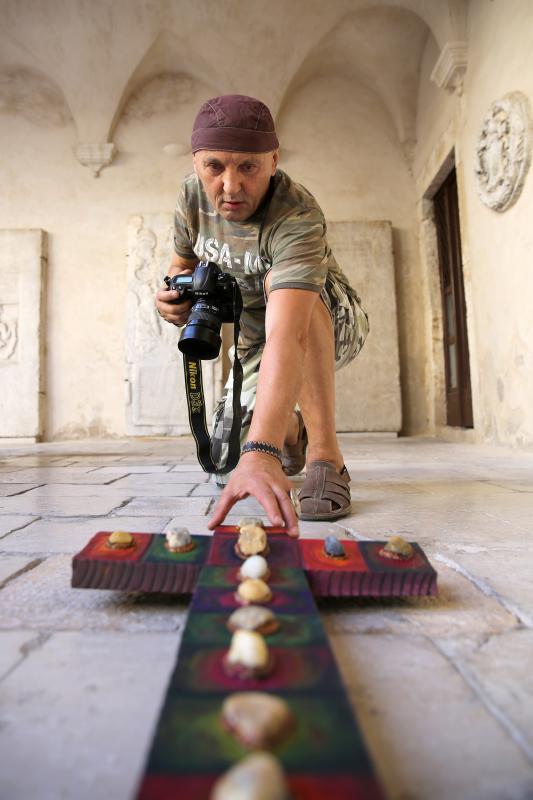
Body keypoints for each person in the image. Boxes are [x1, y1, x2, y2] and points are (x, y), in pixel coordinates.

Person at [155, 95, 368, 537]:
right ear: (196, 162)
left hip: (327, 320)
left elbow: (289, 336)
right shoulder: (190, 198)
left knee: (294, 304)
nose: (230, 186)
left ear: (273, 160)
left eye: (247, 167)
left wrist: (261, 450)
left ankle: (325, 455)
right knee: (224, 463)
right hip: (255, 335)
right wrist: (174, 298)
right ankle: (291, 428)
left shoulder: (296, 214)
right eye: (215, 167)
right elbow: (180, 264)